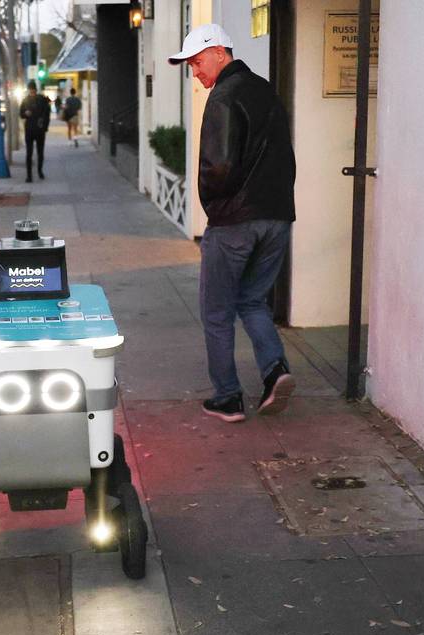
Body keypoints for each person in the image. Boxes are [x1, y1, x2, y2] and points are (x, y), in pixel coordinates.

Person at [169, 23, 297, 423]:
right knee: (252, 299)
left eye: (197, 61)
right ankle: (275, 369)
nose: (195, 70)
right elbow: (285, 158)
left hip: (235, 221)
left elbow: (218, 166)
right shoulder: (265, 91)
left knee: (217, 312)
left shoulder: (224, 96)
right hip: (276, 217)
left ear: (219, 52)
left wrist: (212, 207)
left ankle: (227, 396)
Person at [19, 80, 51, 183]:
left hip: (39, 129)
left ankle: (40, 171)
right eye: (30, 90)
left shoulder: (42, 99)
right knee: (29, 153)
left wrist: (45, 127)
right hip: (29, 129)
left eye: (33, 90)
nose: (31, 92)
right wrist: (25, 113)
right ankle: (29, 175)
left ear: (35, 90)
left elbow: (47, 114)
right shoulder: (25, 100)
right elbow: (21, 114)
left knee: (40, 152)